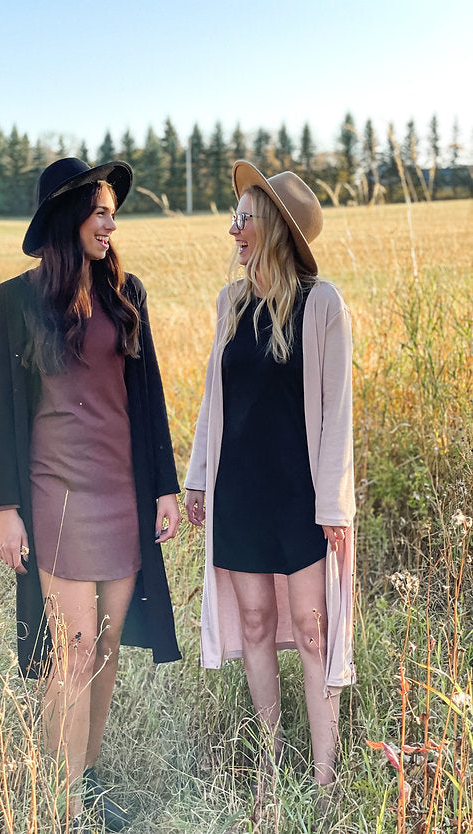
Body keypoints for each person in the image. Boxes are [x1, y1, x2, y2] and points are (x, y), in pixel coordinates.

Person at [0, 157, 181, 831]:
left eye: (112, 212)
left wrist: (164, 489)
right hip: (55, 494)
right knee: (70, 651)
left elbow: (148, 397)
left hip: (120, 494)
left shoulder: (129, 293)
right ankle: (61, 800)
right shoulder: (17, 300)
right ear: (71, 219)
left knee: (103, 647)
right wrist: (6, 508)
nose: (111, 222)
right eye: (100, 211)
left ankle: (85, 778)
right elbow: (5, 407)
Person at [184, 161, 355, 791]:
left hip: (300, 496)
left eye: (243, 216)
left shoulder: (322, 304)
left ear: (274, 228)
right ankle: (272, 761)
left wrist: (334, 506)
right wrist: (198, 476)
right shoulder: (230, 303)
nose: (233, 228)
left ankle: (326, 777)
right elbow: (213, 399)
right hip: (240, 491)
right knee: (255, 620)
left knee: (312, 629)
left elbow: (337, 408)